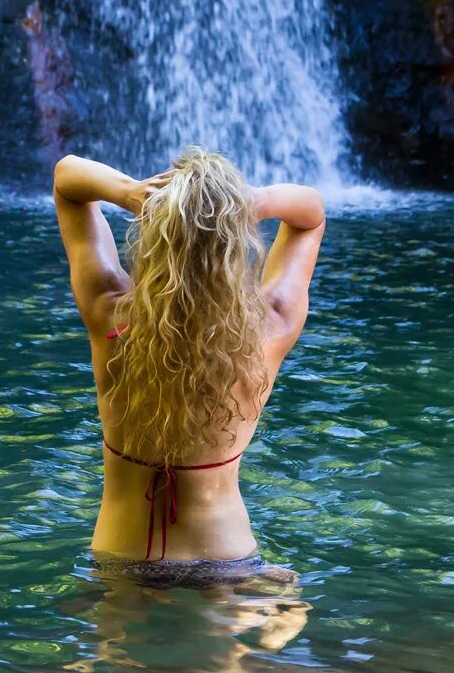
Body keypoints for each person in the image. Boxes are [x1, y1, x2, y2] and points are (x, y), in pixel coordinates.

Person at [52, 146, 326, 587]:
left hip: (121, 556)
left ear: (154, 232)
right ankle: (276, 619)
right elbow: (310, 214)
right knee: (266, 620)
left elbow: (68, 179)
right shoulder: (269, 327)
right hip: (228, 560)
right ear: (236, 243)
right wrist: (249, 201)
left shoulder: (109, 314)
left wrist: (129, 192)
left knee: (116, 653)